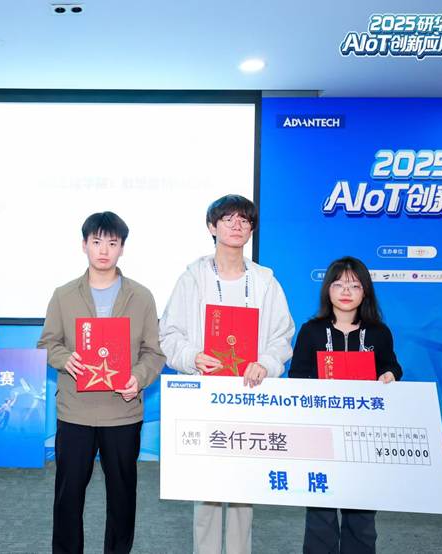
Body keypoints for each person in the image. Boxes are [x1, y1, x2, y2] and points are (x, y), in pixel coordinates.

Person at [159, 194, 295, 554]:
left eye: (245, 220)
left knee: (242, 488)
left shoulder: (265, 281)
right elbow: (169, 335)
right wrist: (192, 357)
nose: (237, 225)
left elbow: (282, 336)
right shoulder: (192, 279)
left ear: (251, 230)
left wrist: (266, 363)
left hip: (250, 395)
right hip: (205, 395)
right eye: (228, 218)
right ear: (212, 226)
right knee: (205, 488)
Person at [38, 211, 165, 554]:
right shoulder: (64, 294)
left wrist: (138, 378)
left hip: (122, 412)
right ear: (84, 245)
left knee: (122, 497)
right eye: (96, 242)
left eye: (112, 243)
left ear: (122, 247)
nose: (104, 250)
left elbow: (154, 353)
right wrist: (65, 359)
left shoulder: (141, 296)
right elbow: (47, 344)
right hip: (75, 412)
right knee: (68, 497)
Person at [289, 256, 402, 554]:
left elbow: (392, 366)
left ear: (366, 291)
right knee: (321, 512)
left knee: (362, 514)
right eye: (338, 284)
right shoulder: (311, 330)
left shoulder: (379, 332)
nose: (346, 291)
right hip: (321, 434)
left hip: (364, 435)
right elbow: (296, 376)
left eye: (354, 285)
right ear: (328, 290)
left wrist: (390, 375)